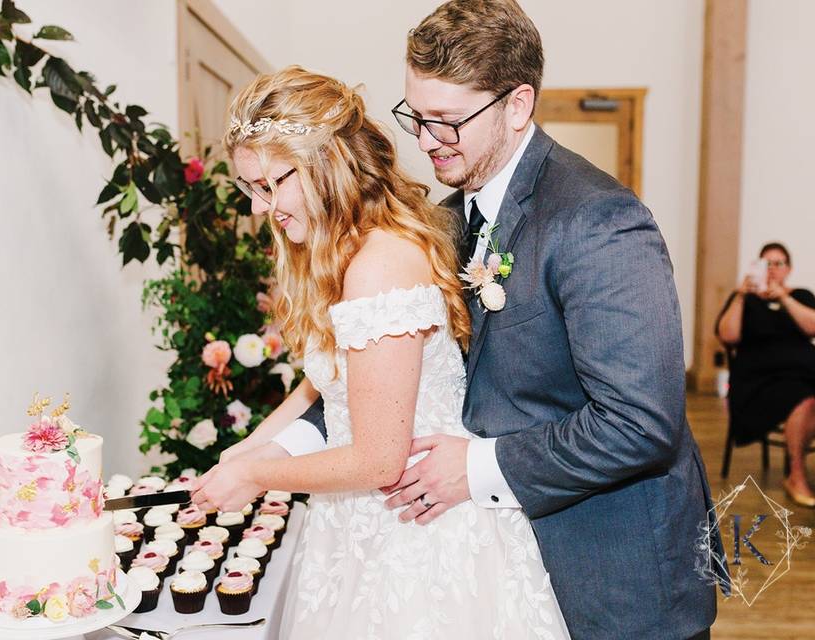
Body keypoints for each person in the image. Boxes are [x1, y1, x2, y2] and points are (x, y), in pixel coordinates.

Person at [195, 2, 726, 638]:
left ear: (517, 104)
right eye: (415, 116)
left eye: (447, 121)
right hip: (476, 554)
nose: (425, 140)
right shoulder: (439, 222)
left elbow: (640, 425)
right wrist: (256, 454)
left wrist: (475, 468)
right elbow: (374, 387)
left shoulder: (596, 221)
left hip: (607, 571)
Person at [191, 66, 571, 638]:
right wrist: (249, 446)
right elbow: (324, 379)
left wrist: (259, 476)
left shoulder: (380, 264)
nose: (261, 209)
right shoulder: (336, 248)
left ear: (326, 162)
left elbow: (378, 460)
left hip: (417, 535)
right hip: (355, 521)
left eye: (272, 184)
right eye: (250, 188)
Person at [717, 242, 815, 507]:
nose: (772, 269)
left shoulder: (801, 295)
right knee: (805, 399)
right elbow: (728, 335)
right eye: (766, 263)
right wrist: (741, 296)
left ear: (788, 269)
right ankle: (796, 474)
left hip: (807, 372)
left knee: (812, 391)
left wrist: (783, 298)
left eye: (778, 263)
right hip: (761, 381)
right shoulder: (745, 300)